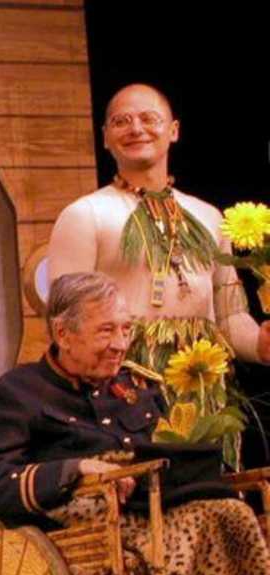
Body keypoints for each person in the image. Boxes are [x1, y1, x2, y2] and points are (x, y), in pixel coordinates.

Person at [0, 271, 270, 575]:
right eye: (106, 331)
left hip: (158, 506)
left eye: (126, 329)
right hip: (92, 520)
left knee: (235, 514)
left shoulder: (137, 386)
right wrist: (74, 469)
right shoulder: (17, 393)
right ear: (63, 334)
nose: (120, 344)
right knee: (207, 522)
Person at [47, 83, 270, 468]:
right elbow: (65, 323)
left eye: (149, 119)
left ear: (174, 130)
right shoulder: (84, 215)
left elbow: (230, 317)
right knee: (139, 491)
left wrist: (261, 344)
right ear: (105, 137)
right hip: (121, 387)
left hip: (203, 385)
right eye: (122, 121)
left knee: (205, 487)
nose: (136, 128)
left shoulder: (208, 217)